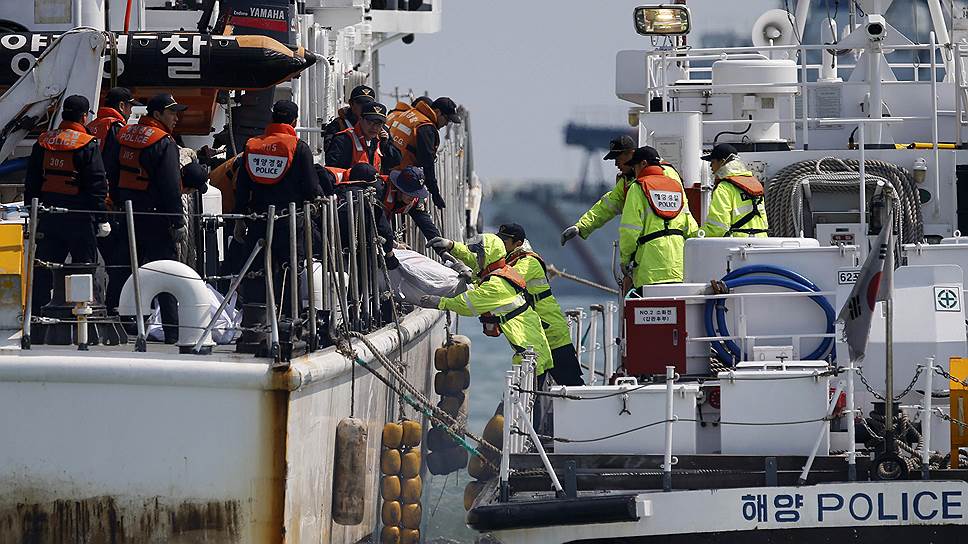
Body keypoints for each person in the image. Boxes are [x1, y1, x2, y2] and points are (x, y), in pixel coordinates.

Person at [104, 92, 187, 341]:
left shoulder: (123, 135)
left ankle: (116, 322)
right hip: (156, 218)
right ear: (157, 114)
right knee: (166, 272)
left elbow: (112, 171)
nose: (176, 118)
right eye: (172, 112)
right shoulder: (164, 142)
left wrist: (118, 203)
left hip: (127, 215)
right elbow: (171, 186)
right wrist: (178, 221)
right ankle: (173, 330)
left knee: (122, 271)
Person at [416, 233, 554, 378]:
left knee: (527, 391)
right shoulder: (501, 273)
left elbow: (467, 304)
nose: (477, 259)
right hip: (534, 346)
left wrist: (440, 302)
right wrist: (453, 247)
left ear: (488, 256)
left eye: (480, 255)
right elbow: (479, 281)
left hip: (530, 353)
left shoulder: (496, 285)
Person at [233, 99, 322, 314]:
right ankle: (289, 319)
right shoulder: (299, 148)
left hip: (257, 220)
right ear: (294, 121)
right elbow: (311, 186)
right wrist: (318, 200)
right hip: (288, 222)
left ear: (272, 118)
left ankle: (254, 317)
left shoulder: (252, 145)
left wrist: (239, 218)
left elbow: (242, 186)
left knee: (256, 270)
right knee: (289, 269)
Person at [24, 95, 109, 313]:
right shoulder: (88, 145)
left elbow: (32, 181)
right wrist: (101, 218)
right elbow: (97, 184)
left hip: (48, 217)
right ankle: (87, 313)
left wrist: (32, 212)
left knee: (43, 269)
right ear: (83, 116)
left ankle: (36, 314)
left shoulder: (43, 141)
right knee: (84, 268)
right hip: (80, 218)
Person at [497, 223, 584, 386]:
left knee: (571, 386)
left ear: (518, 244)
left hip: (552, 334)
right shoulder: (511, 262)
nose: (500, 243)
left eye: (505, 240)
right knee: (532, 390)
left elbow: (505, 281)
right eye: (499, 239)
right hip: (539, 335)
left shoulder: (527, 262)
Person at [561, 138, 683, 245]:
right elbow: (606, 206)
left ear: (632, 153)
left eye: (617, 159)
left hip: (659, 248)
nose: (615, 164)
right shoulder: (627, 182)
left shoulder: (664, 174)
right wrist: (580, 227)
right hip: (653, 251)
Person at [619, 146, 699, 290]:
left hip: (649, 270)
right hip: (678, 267)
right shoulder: (676, 186)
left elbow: (629, 232)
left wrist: (625, 261)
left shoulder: (637, 188)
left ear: (643, 164)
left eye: (635, 167)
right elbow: (691, 228)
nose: (634, 172)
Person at [386, 96, 461, 209]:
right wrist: (435, 194)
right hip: (399, 179)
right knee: (417, 211)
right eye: (447, 119)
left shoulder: (411, 114)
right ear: (437, 112)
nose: (446, 124)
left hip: (386, 168)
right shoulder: (426, 127)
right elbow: (427, 163)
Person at [700, 143, 768, 238]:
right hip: (761, 241)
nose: (711, 166)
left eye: (713, 162)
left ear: (722, 162)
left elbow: (718, 228)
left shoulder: (724, 188)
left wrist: (697, 235)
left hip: (738, 244)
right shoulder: (754, 184)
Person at [325, 101, 401, 174]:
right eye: (370, 122)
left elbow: (395, 162)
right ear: (360, 119)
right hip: (351, 186)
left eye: (378, 124)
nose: (374, 127)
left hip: (375, 185)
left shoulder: (380, 141)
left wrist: (386, 144)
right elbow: (332, 172)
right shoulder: (343, 140)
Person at [322, 84, 375, 152]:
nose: (363, 107)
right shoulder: (338, 125)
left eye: (368, 104)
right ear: (351, 103)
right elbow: (329, 150)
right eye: (360, 103)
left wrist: (384, 142)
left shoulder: (379, 128)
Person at [87, 87, 141, 153]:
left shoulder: (90, 125)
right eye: (130, 107)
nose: (131, 112)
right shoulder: (118, 128)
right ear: (121, 106)